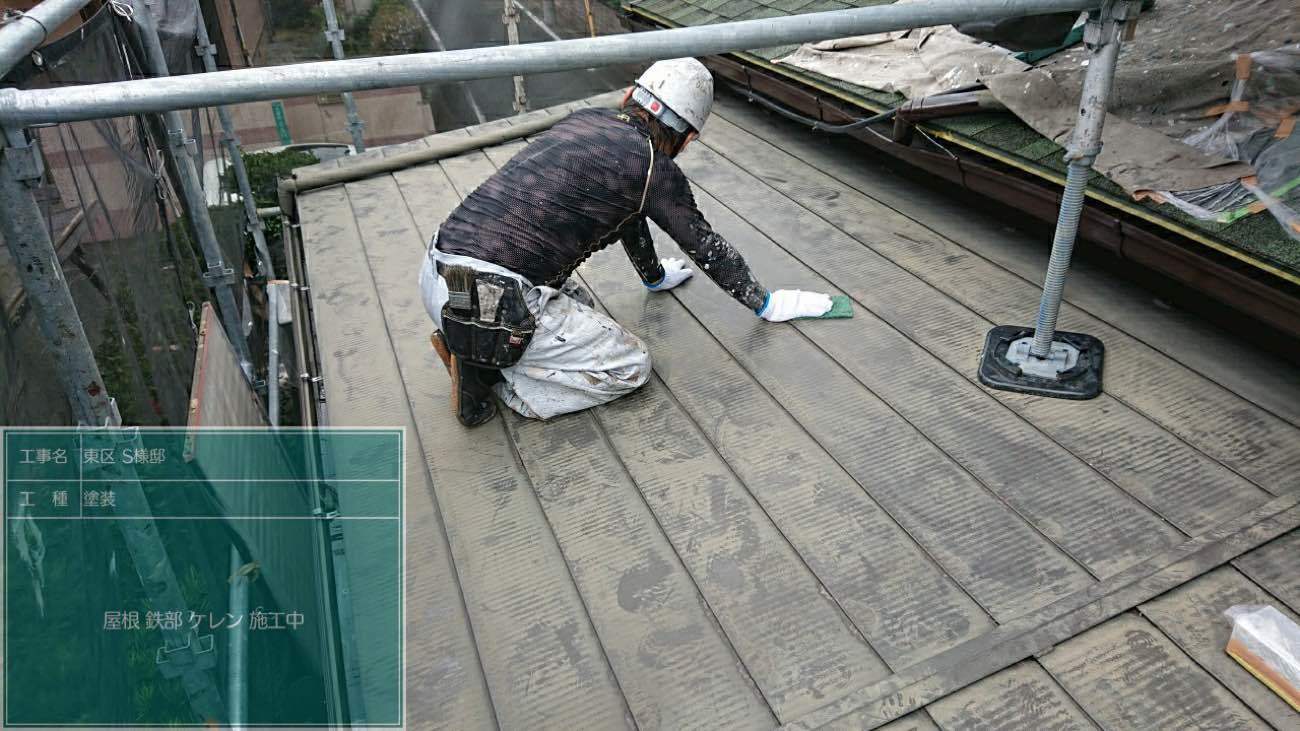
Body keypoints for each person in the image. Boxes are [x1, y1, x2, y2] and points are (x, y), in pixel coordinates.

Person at [419, 57, 833, 426]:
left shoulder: (584, 120)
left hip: (442, 273)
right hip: (493, 303)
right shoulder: (653, 167)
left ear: (628, 97)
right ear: (688, 137)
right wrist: (766, 303)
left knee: (579, 301)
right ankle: (493, 376)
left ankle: (474, 343)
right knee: (630, 366)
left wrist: (655, 277)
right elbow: (707, 247)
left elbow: (628, 216)